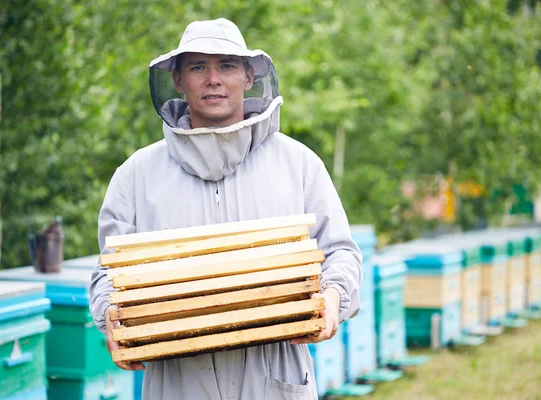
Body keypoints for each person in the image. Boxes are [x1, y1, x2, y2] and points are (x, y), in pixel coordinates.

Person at [90, 18, 362, 400]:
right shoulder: (136, 175)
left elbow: (341, 253)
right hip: (179, 382)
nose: (213, 79)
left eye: (227, 66)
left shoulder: (298, 163)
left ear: (249, 77)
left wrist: (332, 301)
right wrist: (111, 319)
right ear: (180, 81)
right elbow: (108, 271)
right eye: (198, 67)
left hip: (274, 377)